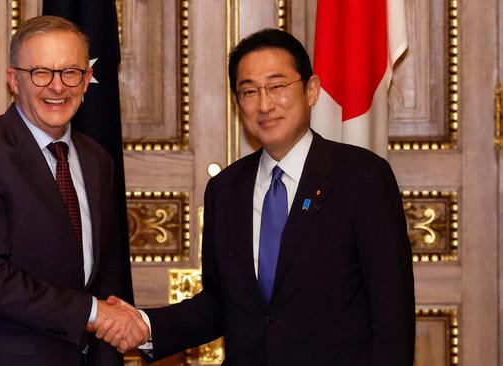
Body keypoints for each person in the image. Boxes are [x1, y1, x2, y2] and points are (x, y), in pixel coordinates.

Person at [98, 28, 415, 365]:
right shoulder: (225, 190)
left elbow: (392, 314)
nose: (264, 104)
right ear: (238, 103)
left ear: (311, 90)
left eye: (277, 86)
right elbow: (221, 303)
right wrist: (146, 326)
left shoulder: (361, 178)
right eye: (249, 91)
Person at [0, 16, 148, 366]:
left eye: (70, 72)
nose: (57, 87)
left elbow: (103, 277)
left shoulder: (96, 160)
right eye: (41, 73)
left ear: (87, 79)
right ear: (13, 80)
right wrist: (94, 314)